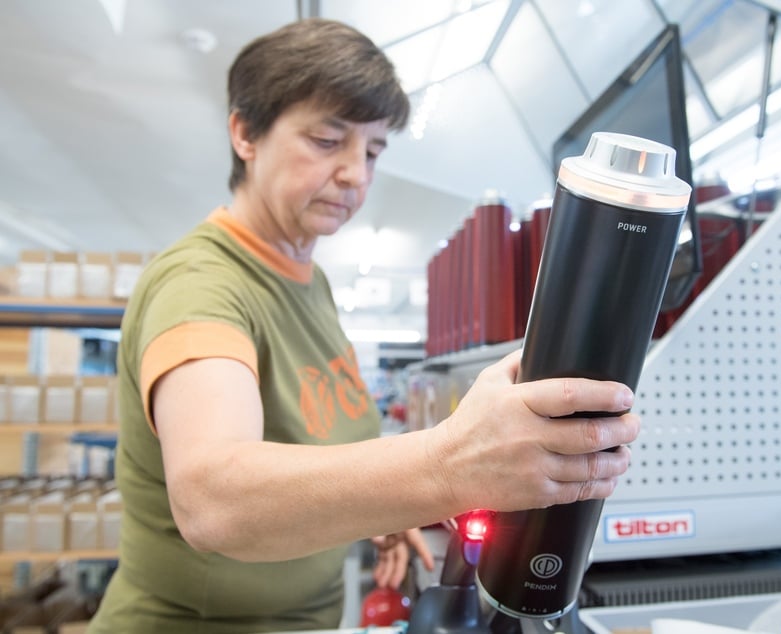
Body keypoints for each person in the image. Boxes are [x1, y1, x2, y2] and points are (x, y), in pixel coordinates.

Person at [87, 17, 640, 633]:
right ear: (245, 133)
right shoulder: (200, 285)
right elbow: (214, 502)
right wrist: (445, 466)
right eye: (327, 141)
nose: (357, 173)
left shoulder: (308, 280)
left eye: (372, 150)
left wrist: (380, 502)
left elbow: (311, 443)